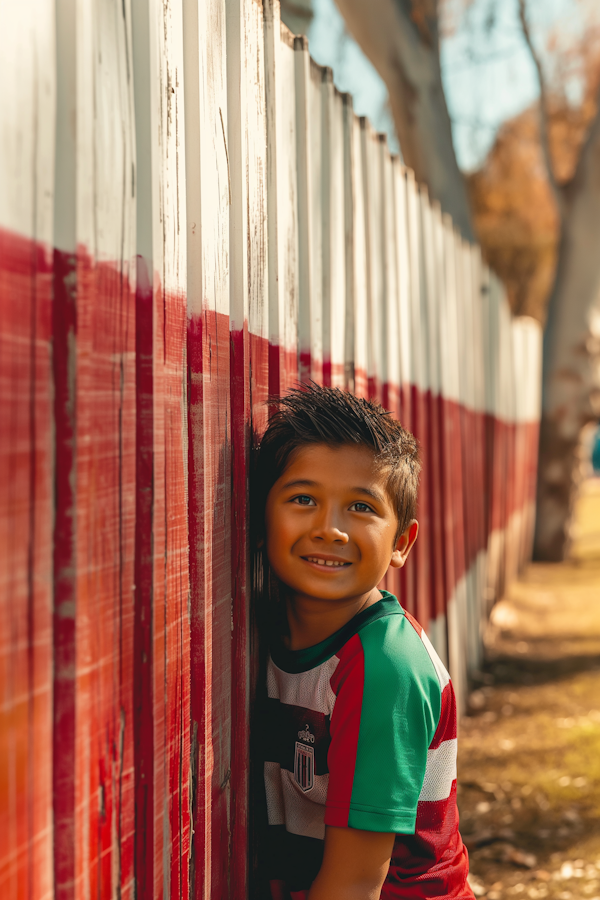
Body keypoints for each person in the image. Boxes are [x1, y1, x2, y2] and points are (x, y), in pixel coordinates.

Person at [253, 383, 474, 900]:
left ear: (401, 543)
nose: (330, 529)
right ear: (260, 521)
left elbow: (354, 884)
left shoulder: (383, 668)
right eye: (304, 499)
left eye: (360, 506)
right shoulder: (266, 628)